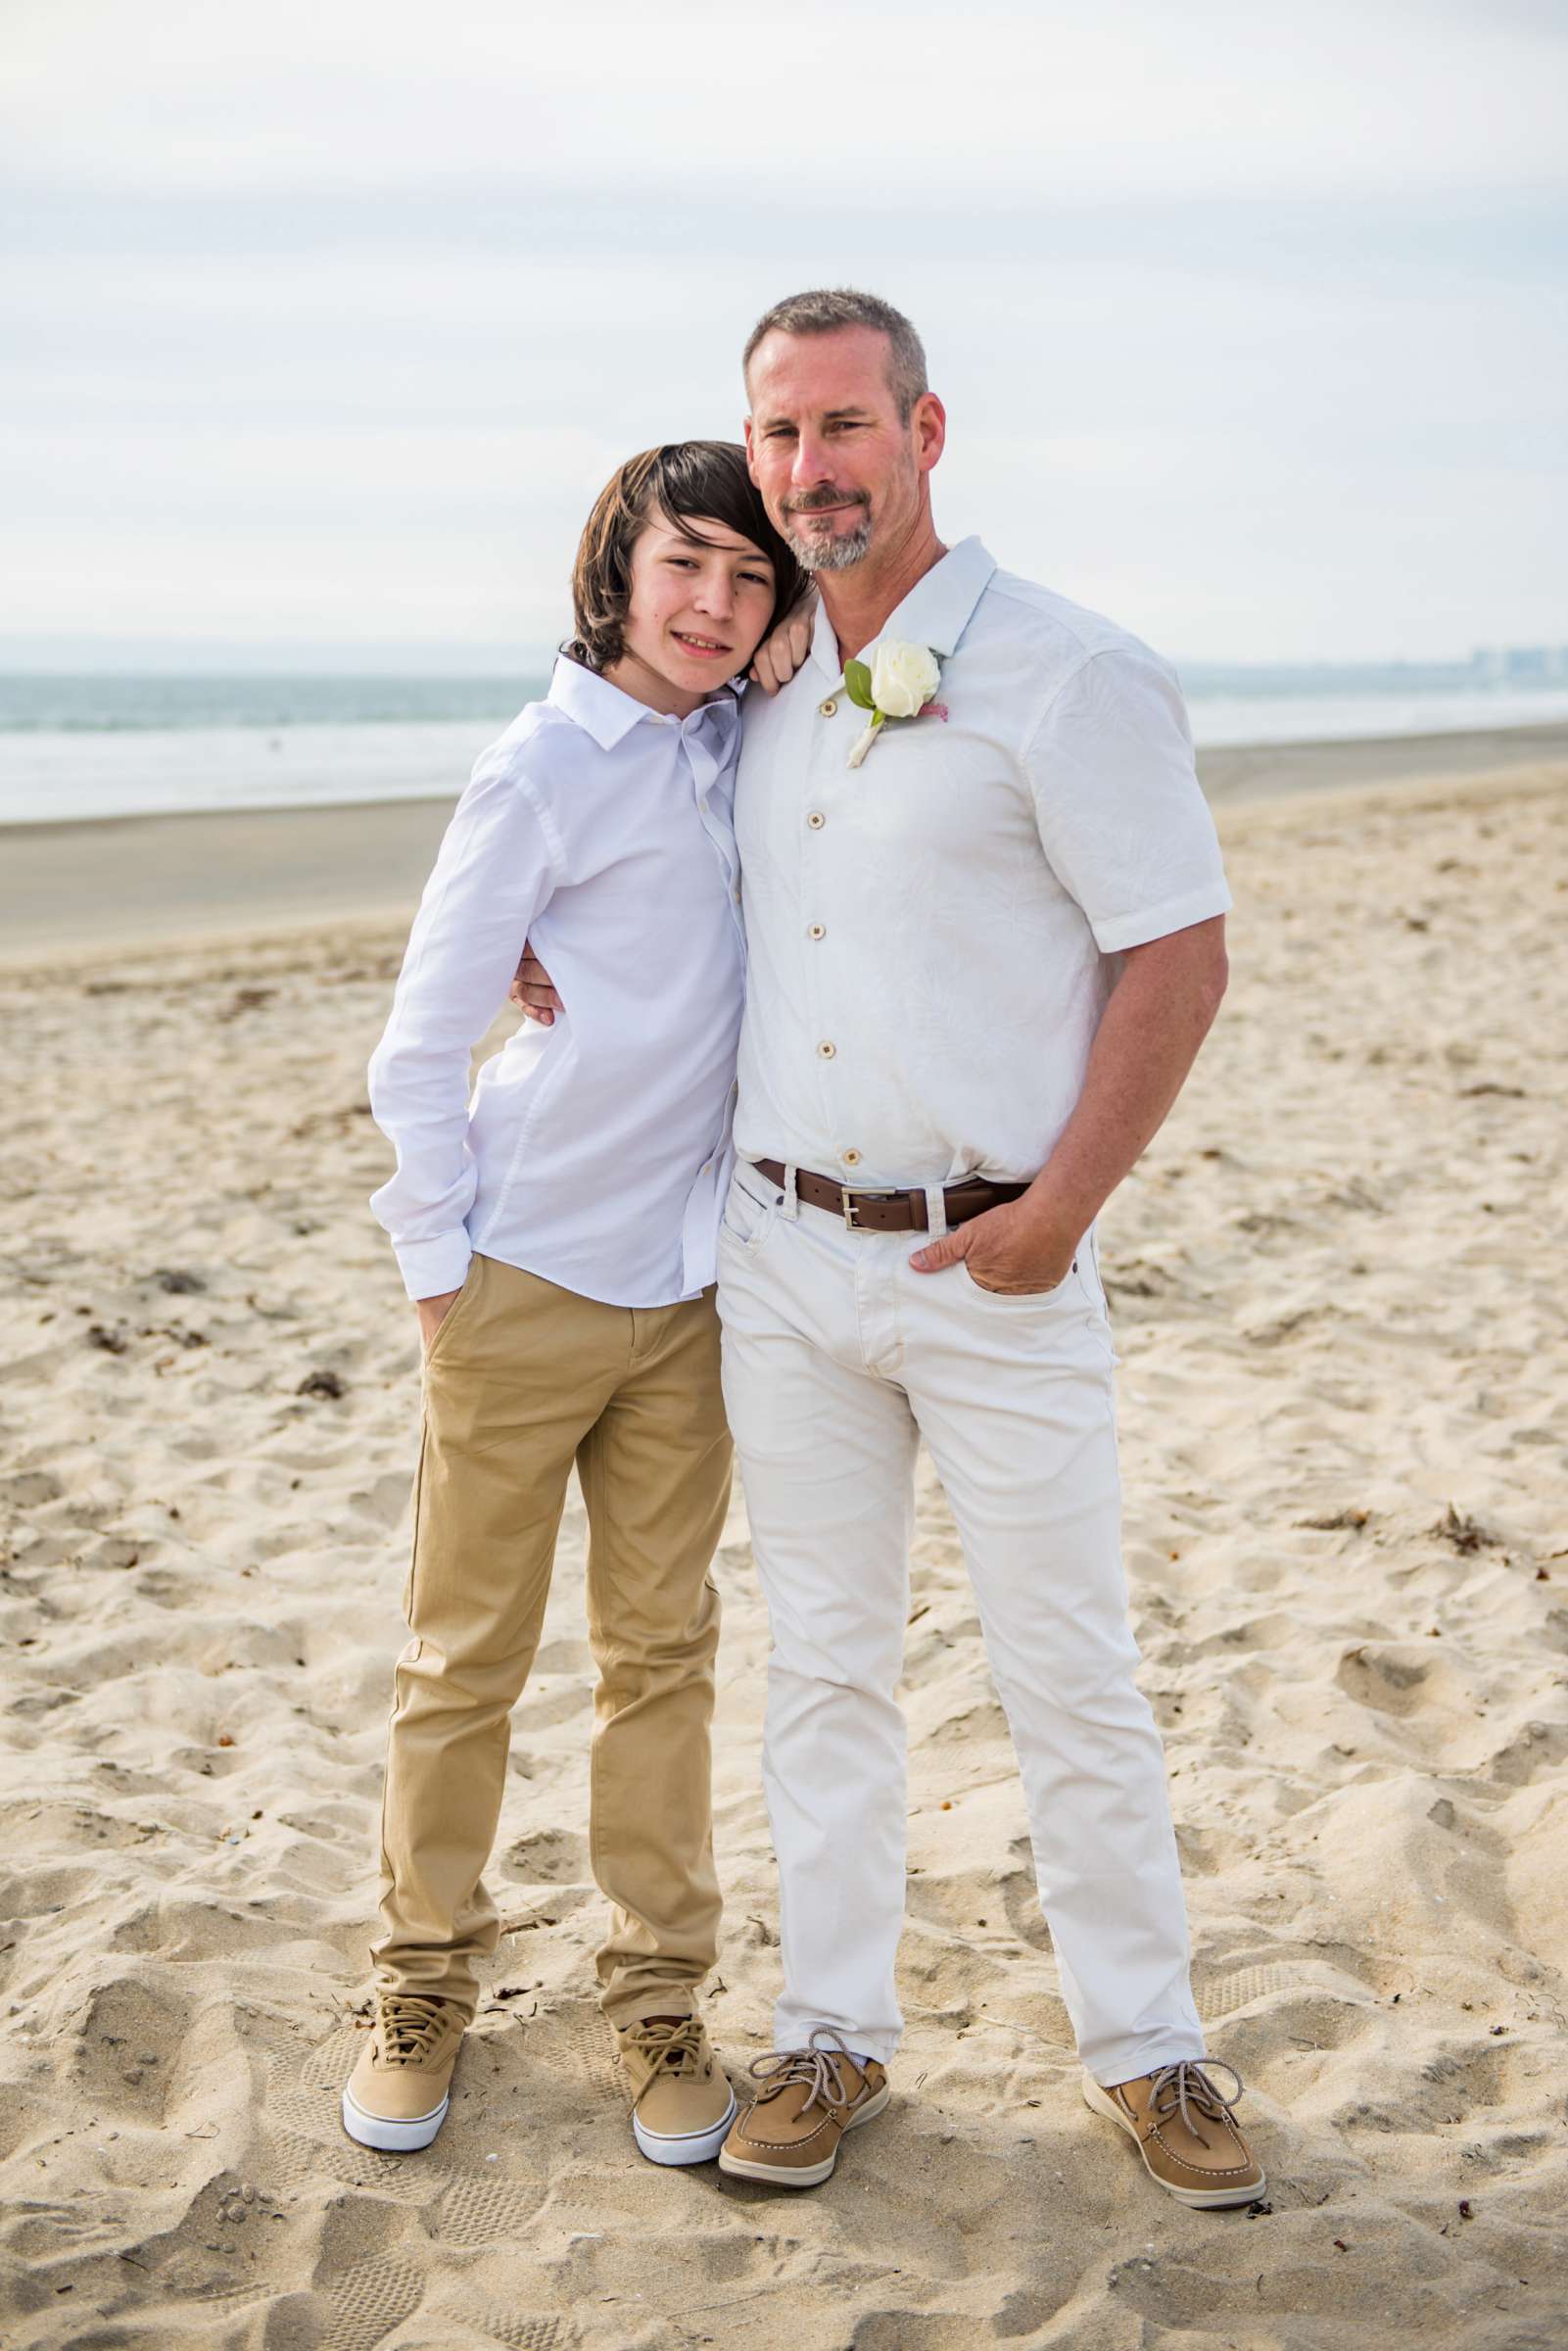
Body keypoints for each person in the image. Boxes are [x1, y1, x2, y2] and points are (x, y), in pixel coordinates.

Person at [519, 288, 1266, 2208]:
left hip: (992, 1261)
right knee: (825, 1671)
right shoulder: (759, 680)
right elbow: (654, 864)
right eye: (777, 437)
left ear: (925, 438)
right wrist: (552, 963)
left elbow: (1177, 951)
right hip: (782, 1259)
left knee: (1067, 1668)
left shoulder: (1069, 675)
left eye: (842, 430)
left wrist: (1064, 1214)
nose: (806, 472)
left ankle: (1152, 2052)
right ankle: (834, 2037)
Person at [345, 441, 805, 2168]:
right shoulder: (539, 765)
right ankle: (416, 1981)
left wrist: (789, 632)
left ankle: (657, 2000)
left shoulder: (743, 738)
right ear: (614, 569)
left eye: (748, 580)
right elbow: (420, 1041)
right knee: (461, 1659)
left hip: (693, 1285)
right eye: (687, 565)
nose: (714, 605)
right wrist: (437, 1270)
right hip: (523, 1276)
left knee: (661, 1659)